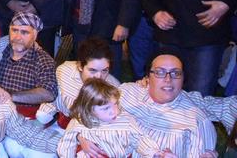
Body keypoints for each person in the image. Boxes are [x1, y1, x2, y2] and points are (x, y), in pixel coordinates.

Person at [78, 52, 220, 157]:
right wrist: (81, 135)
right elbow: (85, 110)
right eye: (159, 72)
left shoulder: (197, 121)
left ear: (183, 78)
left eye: (175, 73)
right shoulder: (126, 92)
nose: (168, 79)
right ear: (147, 77)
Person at [57, 79, 167, 157]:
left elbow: (139, 139)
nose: (114, 111)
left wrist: (155, 153)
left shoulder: (126, 120)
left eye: (115, 104)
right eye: (105, 109)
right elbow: (66, 145)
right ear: (89, 108)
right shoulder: (79, 123)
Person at [36, 38, 119, 129]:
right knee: (42, 116)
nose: (99, 77)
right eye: (92, 70)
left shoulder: (113, 85)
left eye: (104, 70)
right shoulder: (65, 71)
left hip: (83, 119)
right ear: (80, 66)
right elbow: (72, 107)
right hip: (67, 110)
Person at [0, 12, 58, 120]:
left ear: (35, 35)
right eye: (14, 30)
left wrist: (10, 95)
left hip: (24, 118)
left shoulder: (43, 60)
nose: (18, 37)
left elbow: (49, 93)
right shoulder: (0, 50)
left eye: (24, 32)